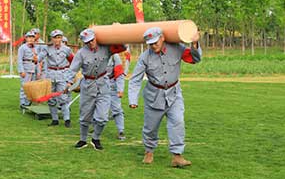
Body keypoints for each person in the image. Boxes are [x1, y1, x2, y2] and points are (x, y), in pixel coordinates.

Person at [128, 27, 201, 167]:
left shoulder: (177, 48)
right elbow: (135, 79)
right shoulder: (145, 57)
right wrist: (133, 99)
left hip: (174, 94)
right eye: (150, 43)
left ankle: (177, 156)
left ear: (162, 38)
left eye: (155, 42)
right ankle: (149, 151)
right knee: (150, 127)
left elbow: (194, 59)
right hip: (154, 96)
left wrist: (195, 44)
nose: (153, 45)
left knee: (178, 122)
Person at [64, 28, 126, 151]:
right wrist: (68, 82)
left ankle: (95, 138)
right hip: (88, 85)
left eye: (92, 40)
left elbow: (122, 47)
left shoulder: (106, 48)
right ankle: (83, 140)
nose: (91, 43)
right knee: (85, 116)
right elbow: (73, 69)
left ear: (96, 38)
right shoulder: (81, 53)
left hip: (103, 85)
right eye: (87, 42)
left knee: (102, 117)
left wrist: (117, 32)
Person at [37, 29, 74, 127]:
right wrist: (34, 54)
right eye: (55, 37)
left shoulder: (67, 49)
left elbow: (73, 62)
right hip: (51, 75)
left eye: (59, 37)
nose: (57, 40)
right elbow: (39, 58)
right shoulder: (47, 48)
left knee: (63, 98)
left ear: (62, 38)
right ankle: (55, 119)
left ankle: (67, 119)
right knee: (51, 99)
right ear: (51, 39)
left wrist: (71, 76)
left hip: (62, 74)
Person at [106, 53, 126, 140]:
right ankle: (95, 128)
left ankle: (121, 131)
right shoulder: (96, 54)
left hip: (112, 85)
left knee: (117, 109)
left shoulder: (115, 57)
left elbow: (119, 74)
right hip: (99, 85)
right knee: (95, 107)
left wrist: (120, 90)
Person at [17, 30, 38, 107]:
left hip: (33, 68)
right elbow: (19, 60)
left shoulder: (35, 48)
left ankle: (28, 101)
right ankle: (22, 102)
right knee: (24, 86)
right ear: (26, 38)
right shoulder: (22, 48)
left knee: (31, 87)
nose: (31, 39)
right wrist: (21, 71)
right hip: (26, 69)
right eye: (29, 37)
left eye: (33, 37)